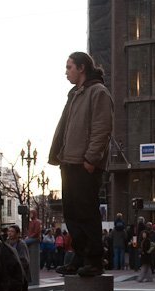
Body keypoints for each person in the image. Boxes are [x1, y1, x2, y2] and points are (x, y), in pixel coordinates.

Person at [48, 51, 113, 277]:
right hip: (69, 161)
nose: (66, 72)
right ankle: (80, 255)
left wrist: (90, 160)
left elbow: (102, 128)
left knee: (86, 212)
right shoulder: (76, 94)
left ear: (82, 68)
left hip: (84, 163)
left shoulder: (98, 92)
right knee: (72, 213)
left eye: (69, 67)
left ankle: (94, 259)